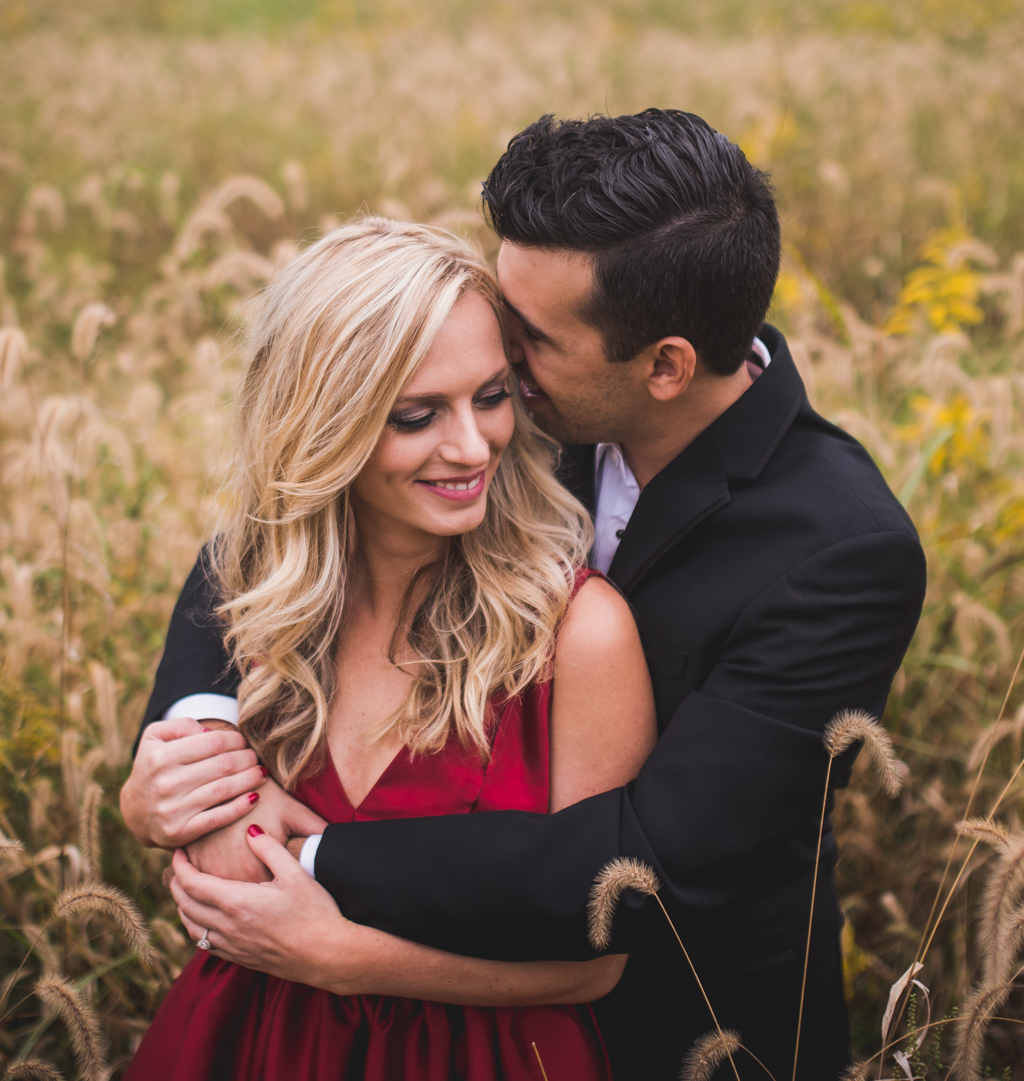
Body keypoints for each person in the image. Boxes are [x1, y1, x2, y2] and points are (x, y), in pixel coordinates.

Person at [129, 110, 927, 1081]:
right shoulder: (511, 404)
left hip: (678, 1028)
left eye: (523, 343)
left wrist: (315, 864)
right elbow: (282, 542)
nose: (492, 359)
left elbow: (651, 869)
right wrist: (188, 747)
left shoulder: (839, 550)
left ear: (663, 365)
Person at [124, 217, 656, 1080]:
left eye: (490, 396)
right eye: (417, 415)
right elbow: (180, 783)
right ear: (323, 423)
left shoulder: (577, 633)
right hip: (247, 1038)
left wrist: (342, 958)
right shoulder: (263, 598)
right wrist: (151, 803)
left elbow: (597, 960)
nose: (472, 444)